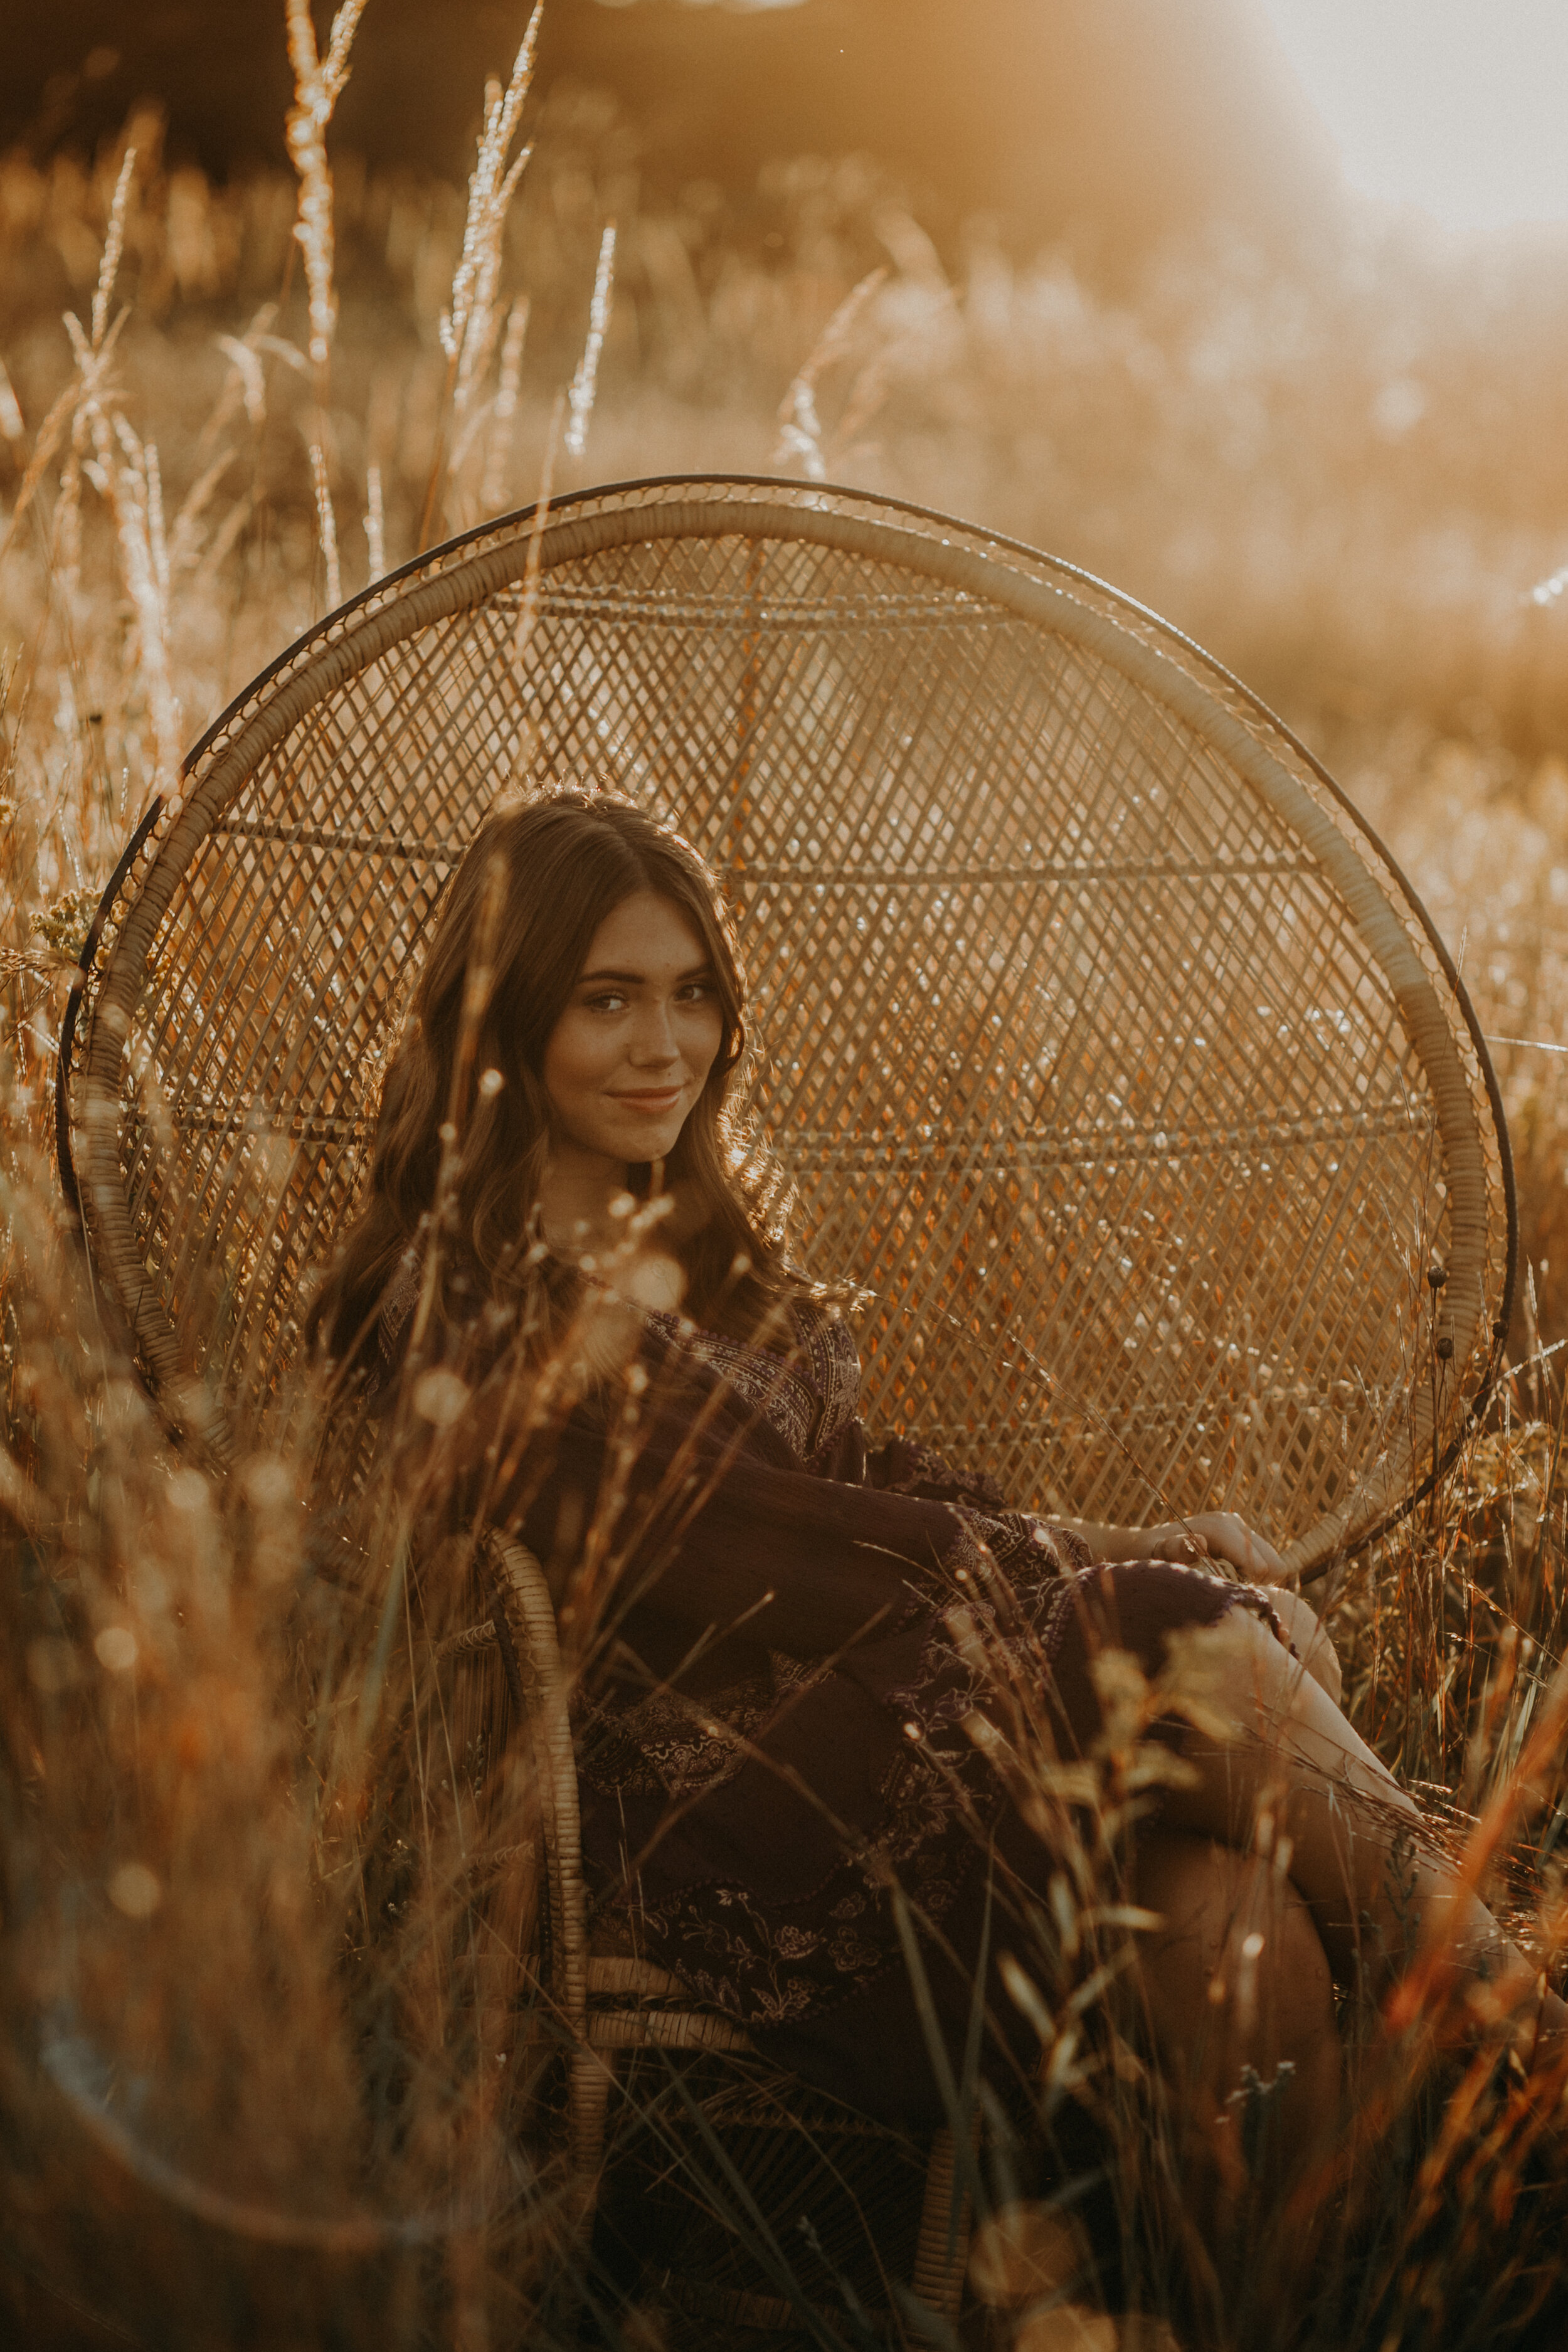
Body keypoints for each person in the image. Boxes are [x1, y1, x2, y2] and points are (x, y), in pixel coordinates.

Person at [310, 787, 1564, 2250]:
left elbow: (862, 1502)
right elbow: (742, 1559)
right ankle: (1530, 2050)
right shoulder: (458, 1308)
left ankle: (1304, 2295)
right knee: (1175, 1643)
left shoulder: (696, 1248)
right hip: (713, 1826)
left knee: (1227, 1917)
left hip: (887, 1737)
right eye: (606, 1002)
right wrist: (1146, 1603)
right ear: (503, 1016)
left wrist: (1129, 1545)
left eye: (691, 995)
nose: (666, 1046)